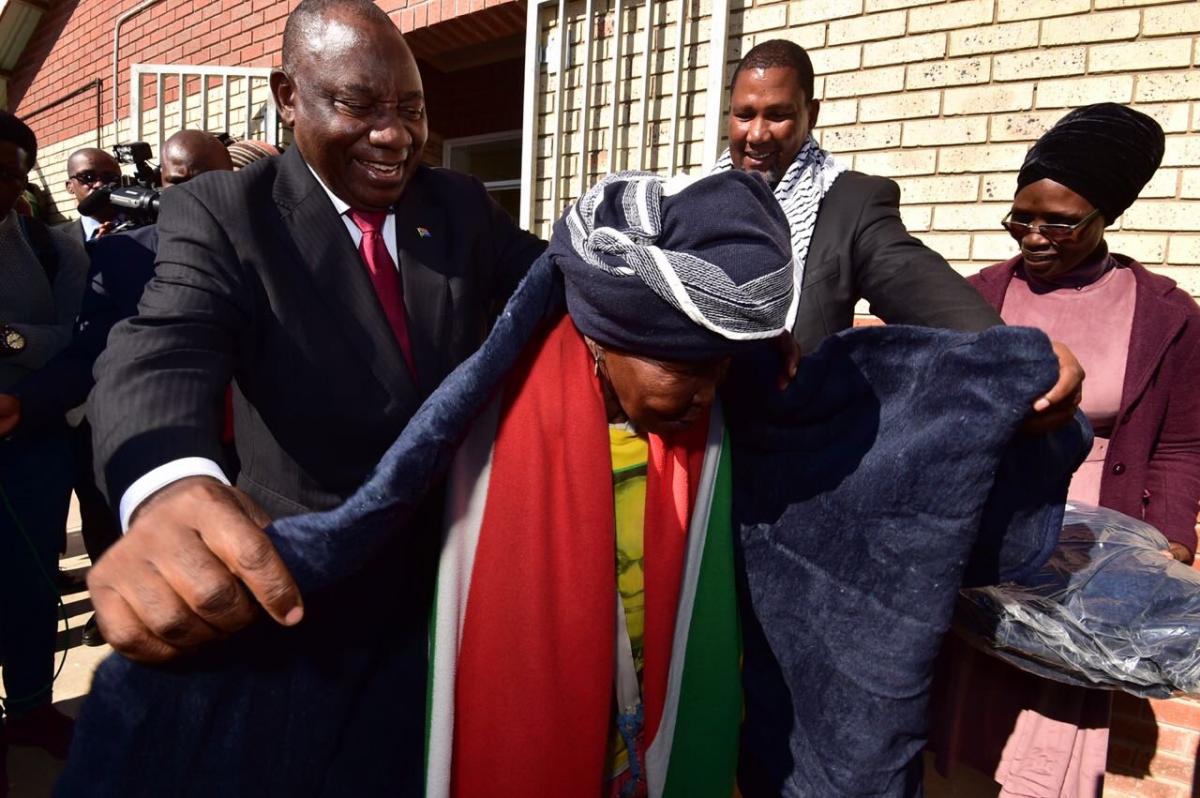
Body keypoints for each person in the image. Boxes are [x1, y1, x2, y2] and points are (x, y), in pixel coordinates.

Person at [85, 0, 543, 783]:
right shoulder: (227, 212)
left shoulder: (458, 205)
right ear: (287, 96)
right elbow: (163, 344)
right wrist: (168, 484)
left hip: (457, 580)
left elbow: (555, 282)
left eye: (410, 110)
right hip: (306, 600)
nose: (393, 135)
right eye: (358, 105)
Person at [424, 168, 796, 797]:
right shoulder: (498, 425)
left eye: (722, 366)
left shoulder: (710, 429)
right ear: (605, 336)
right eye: (684, 368)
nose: (707, 393)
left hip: (652, 718)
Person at [931, 103, 1200, 797]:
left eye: (1060, 222)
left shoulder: (1164, 314)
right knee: (964, 707)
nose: (1035, 237)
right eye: (1021, 218)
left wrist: (1165, 541)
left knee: (1054, 717)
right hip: (984, 541)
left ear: (1107, 215)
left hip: (1091, 557)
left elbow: (1180, 442)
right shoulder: (979, 298)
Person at [716, 39, 1083, 432]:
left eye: (777, 115)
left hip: (785, 456)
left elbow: (923, 290)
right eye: (744, 115)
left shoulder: (849, 204)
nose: (756, 134)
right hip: (691, 454)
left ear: (811, 114)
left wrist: (1018, 354)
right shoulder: (687, 202)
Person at [0, 129, 237, 647]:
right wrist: (31, 403)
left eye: (213, 181)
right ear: (159, 186)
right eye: (179, 182)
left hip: (254, 464)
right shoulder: (122, 256)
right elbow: (92, 351)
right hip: (158, 456)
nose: (195, 194)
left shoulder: (278, 248)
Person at [0, 110, 89, 760]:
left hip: (29, 445)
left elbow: (76, 341)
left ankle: (29, 708)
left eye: (6, 173)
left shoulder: (54, 245)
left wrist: (8, 344)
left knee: (30, 585)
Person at [58, 147, 122, 242]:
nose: (99, 184)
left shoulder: (148, 229)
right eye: (88, 177)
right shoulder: (56, 238)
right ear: (69, 186)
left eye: (109, 177)